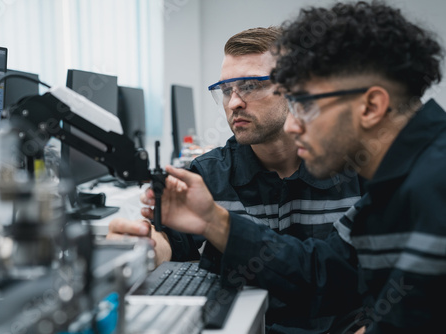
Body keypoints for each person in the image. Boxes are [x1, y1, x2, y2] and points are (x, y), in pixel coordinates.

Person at [139, 1, 446, 333]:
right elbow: (322, 273)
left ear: (371, 106)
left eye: (306, 104)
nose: (293, 125)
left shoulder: (433, 185)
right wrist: (214, 222)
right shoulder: (394, 188)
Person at [109, 26, 363, 333]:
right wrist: (146, 247)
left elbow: (385, 276)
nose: (233, 104)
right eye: (227, 90)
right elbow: (171, 243)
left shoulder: (353, 172)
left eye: (250, 86)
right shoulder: (208, 174)